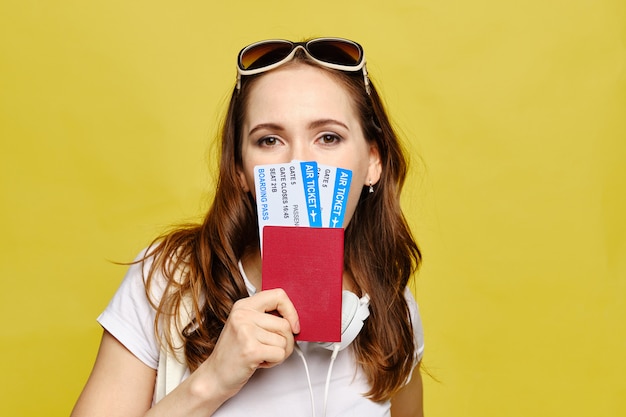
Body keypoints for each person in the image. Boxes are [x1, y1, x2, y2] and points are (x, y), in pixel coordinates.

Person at [71, 37, 425, 417]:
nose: (299, 165)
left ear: (373, 161)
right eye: (270, 140)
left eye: (328, 137)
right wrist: (212, 381)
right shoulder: (167, 282)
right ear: (241, 170)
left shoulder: (392, 307)